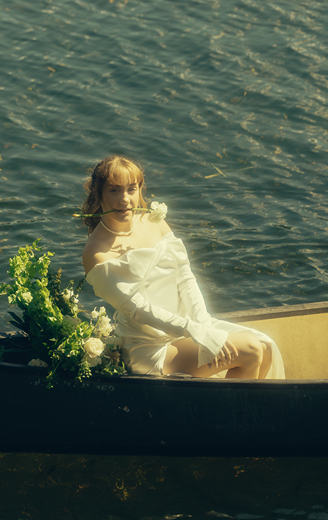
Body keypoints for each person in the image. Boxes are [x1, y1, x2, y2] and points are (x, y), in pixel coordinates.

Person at [81, 155, 285, 380]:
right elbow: (140, 310)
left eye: (131, 189)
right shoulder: (96, 253)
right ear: (98, 194)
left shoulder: (153, 221)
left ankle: (239, 401)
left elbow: (185, 277)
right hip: (151, 346)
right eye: (114, 191)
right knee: (251, 350)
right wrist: (195, 330)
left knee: (266, 347)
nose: (125, 199)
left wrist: (204, 325)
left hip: (188, 328)